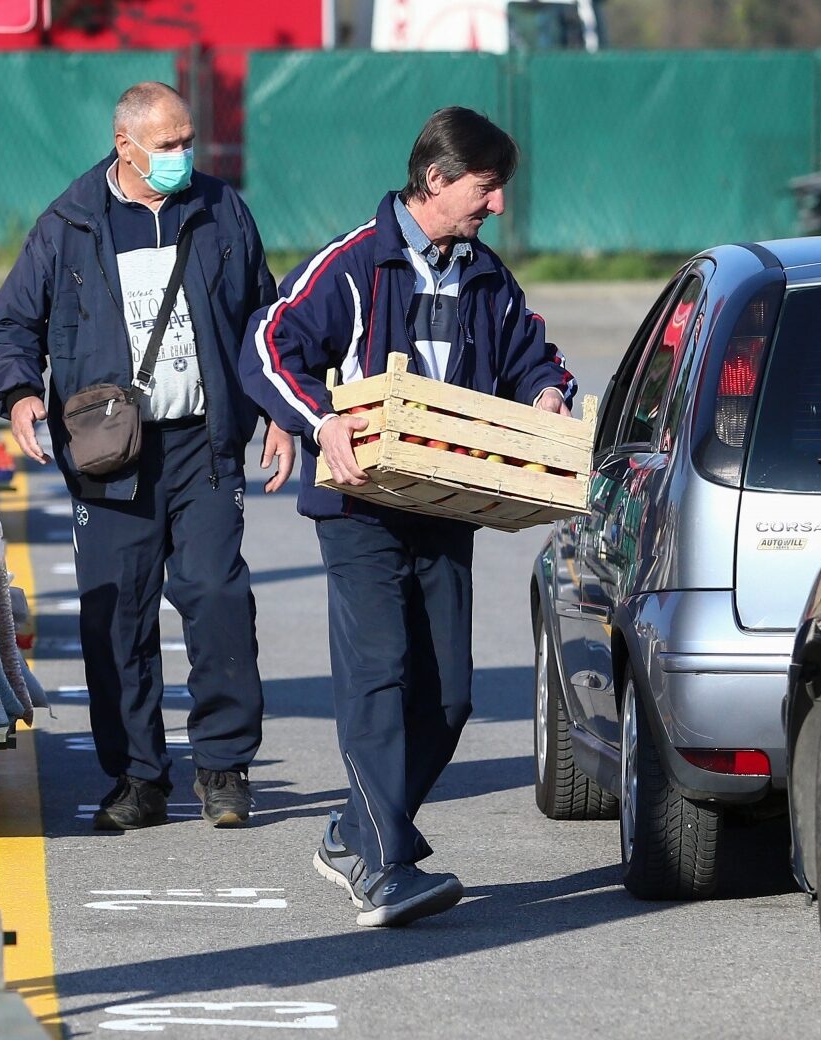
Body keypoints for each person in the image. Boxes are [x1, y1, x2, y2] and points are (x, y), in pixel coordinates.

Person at [239, 107, 577, 927]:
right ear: (436, 180)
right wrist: (320, 420)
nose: (496, 205)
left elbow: (535, 351)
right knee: (379, 678)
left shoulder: (486, 274)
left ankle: (356, 829)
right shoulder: (354, 266)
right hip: (359, 508)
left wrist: (547, 393)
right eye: (486, 188)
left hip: (444, 501)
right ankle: (382, 872)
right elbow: (267, 345)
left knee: (450, 698)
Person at [0, 82, 293, 831]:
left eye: (189, 142)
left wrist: (283, 414)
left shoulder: (222, 211)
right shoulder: (69, 223)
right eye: (169, 145)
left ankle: (223, 767)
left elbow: (267, 318)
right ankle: (138, 777)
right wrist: (22, 393)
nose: (185, 157)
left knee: (216, 596)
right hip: (109, 452)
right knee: (116, 616)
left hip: (205, 446)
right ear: (125, 145)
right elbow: (11, 322)